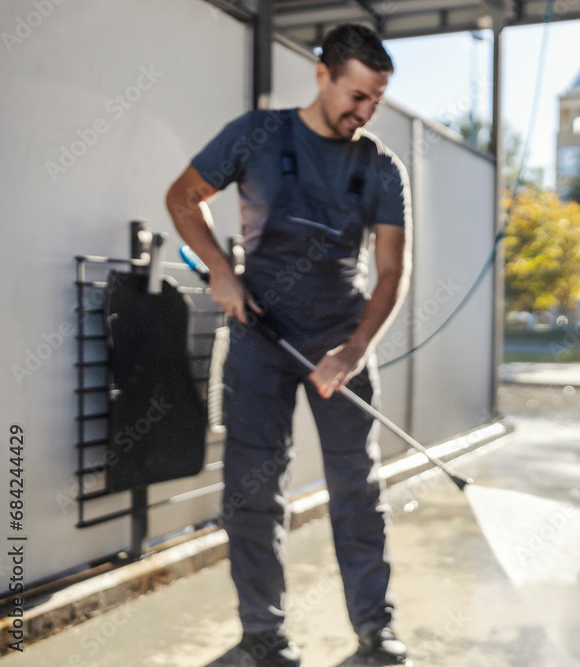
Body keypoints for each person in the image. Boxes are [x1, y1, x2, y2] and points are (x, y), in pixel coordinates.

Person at [165, 23, 411, 667]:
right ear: (322, 74)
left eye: (376, 100)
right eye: (356, 95)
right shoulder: (257, 135)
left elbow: (390, 272)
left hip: (340, 336)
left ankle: (375, 633)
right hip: (259, 334)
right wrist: (220, 270)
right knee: (252, 490)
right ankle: (264, 637)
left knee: (356, 488)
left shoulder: (381, 166)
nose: (365, 111)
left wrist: (354, 350)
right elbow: (184, 197)